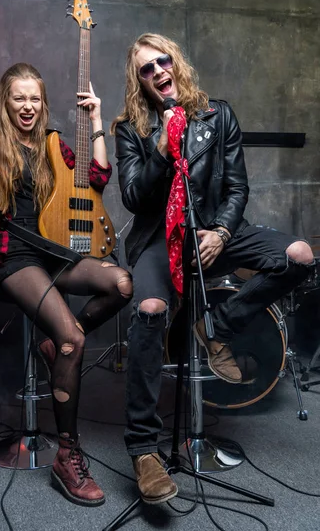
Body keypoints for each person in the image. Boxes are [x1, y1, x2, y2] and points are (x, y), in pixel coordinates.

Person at [112, 33, 315, 504]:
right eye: (146, 68)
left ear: (175, 62)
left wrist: (222, 231)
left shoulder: (217, 115)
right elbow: (133, 197)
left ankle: (216, 325)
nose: (158, 70)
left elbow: (237, 188)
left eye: (163, 60)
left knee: (300, 255)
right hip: (162, 237)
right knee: (149, 307)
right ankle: (144, 450)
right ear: (139, 80)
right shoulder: (131, 128)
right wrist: (162, 146)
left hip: (214, 232)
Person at [0, 62, 132, 507]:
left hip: (52, 251)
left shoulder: (53, 142)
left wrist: (98, 119)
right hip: (12, 256)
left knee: (120, 284)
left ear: (43, 103)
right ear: (6, 100)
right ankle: (67, 455)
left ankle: (59, 345)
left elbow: (98, 178)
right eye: (19, 97)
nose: (27, 106)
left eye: (34, 98)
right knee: (73, 340)